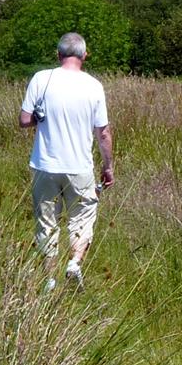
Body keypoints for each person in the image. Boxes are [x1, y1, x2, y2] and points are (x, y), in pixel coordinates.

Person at [20, 32, 113, 290]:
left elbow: (24, 120)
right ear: (85, 55)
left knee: (47, 222)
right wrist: (108, 167)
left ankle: (49, 278)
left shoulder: (41, 78)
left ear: (58, 55)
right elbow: (103, 133)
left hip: (45, 165)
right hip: (79, 167)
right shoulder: (94, 86)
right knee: (82, 218)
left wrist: (42, 118)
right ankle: (74, 263)